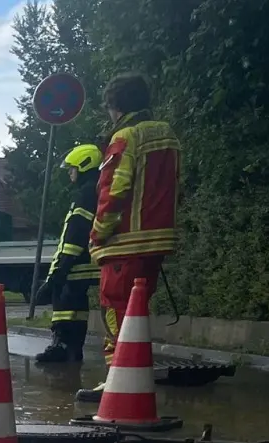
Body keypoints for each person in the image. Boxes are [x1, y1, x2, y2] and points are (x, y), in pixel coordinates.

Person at [87, 72, 181, 384]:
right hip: (157, 238)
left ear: (114, 105)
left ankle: (118, 380)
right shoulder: (166, 134)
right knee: (137, 309)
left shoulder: (125, 136)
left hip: (123, 242)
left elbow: (114, 190)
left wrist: (98, 233)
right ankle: (134, 375)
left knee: (115, 309)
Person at [32, 144, 104, 363]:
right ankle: (73, 349)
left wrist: (60, 270)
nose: (70, 173)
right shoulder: (97, 189)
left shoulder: (85, 194)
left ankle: (61, 346)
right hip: (88, 260)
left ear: (83, 165)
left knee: (64, 302)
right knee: (78, 306)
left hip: (77, 263)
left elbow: (75, 233)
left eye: (72, 168)